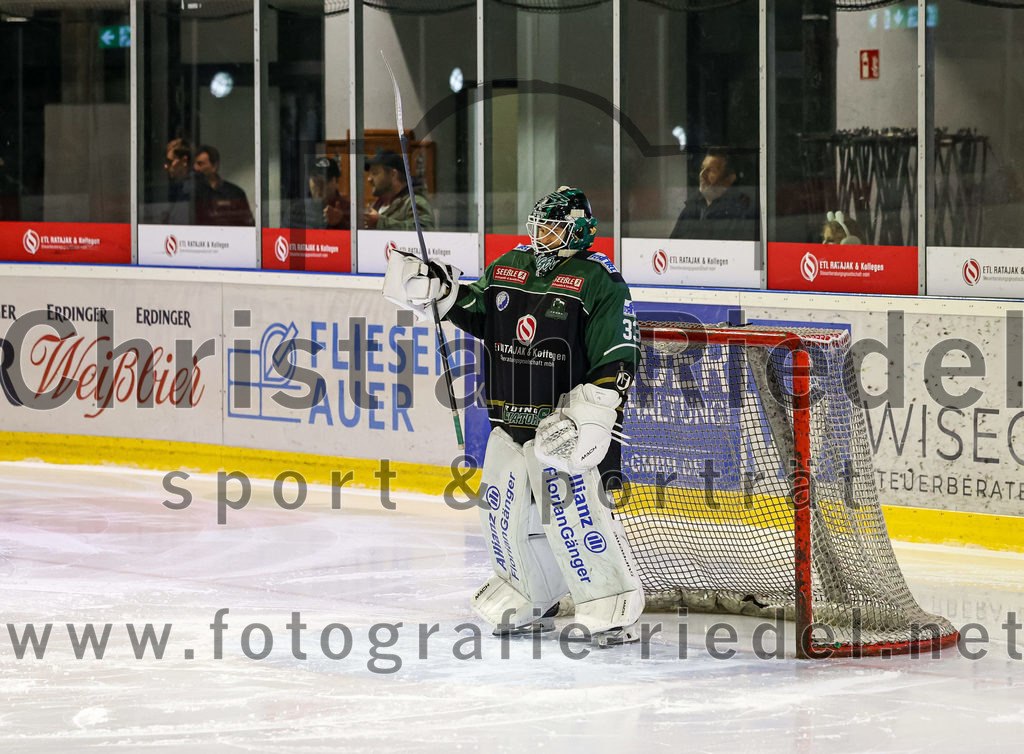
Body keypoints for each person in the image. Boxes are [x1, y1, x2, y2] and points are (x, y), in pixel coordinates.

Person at [382, 186, 645, 646]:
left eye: (553, 228)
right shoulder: (510, 266)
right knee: (501, 514)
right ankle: (528, 593)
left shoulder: (599, 280)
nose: (541, 234)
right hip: (509, 420)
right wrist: (441, 293)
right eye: (538, 225)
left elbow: (618, 355)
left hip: (562, 429)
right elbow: (480, 311)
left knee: (574, 520)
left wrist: (595, 411)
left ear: (579, 230)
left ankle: (610, 601)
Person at [669, 148, 757, 241]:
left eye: (711, 170)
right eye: (702, 168)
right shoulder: (691, 206)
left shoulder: (741, 211)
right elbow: (672, 246)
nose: (702, 174)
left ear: (730, 179)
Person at [363, 149, 434, 231]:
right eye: (370, 174)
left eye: (375, 173)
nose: (369, 179)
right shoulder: (375, 206)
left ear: (393, 174)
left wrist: (380, 223)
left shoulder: (414, 203)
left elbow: (425, 230)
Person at [193, 144, 254, 226]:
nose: (196, 168)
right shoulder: (192, 192)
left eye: (200, 164)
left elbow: (248, 223)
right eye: (195, 164)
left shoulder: (235, 193)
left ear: (214, 166)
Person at [290, 156, 350, 230]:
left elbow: (359, 237)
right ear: (309, 181)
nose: (320, 186)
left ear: (336, 182)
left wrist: (340, 222)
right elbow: (283, 236)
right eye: (315, 181)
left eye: (325, 181)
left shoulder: (348, 209)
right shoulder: (297, 210)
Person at [162, 138, 199, 224]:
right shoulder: (180, 186)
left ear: (184, 161)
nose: (166, 166)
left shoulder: (193, 188)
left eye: (170, 161)